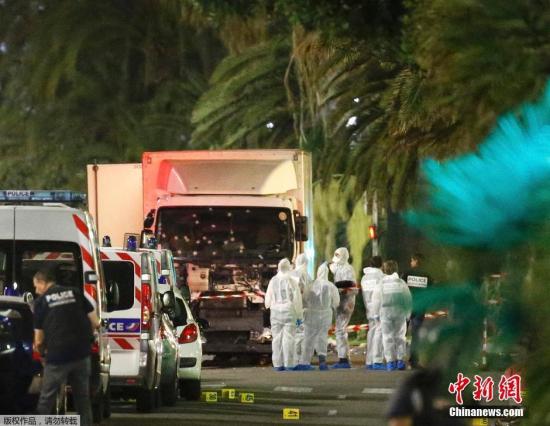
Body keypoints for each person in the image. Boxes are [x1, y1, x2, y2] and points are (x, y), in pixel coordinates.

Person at [33, 268, 99, 426]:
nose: (36, 291)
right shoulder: (75, 292)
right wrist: (87, 339)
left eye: (36, 286)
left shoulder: (41, 302)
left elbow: (39, 340)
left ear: (42, 282)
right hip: (81, 354)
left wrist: (42, 355)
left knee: (46, 399)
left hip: (57, 356)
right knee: (82, 399)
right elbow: (95, 322)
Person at [295, 262, 340, 371]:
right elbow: (336, 303)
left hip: (311, 314)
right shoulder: (331, 286)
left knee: (308, 338)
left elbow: (304, 300)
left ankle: (304, 362)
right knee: (322, 337)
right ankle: (322, 361)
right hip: (326, 315)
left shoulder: (311, 285)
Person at [264, 258, 303, 371]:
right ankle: (289, 364)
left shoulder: (273, 280)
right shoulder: (292, 281)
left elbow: (268, 298)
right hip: (289, 311)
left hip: (275, 311)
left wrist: (268, 305)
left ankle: (277, 364)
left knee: (276, 338)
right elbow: (297, 300)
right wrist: (299, 316)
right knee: (289, 338)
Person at [379, 260, 412, 371]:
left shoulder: (381, 283)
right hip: (399, 312)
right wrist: (408, 314)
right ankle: (400, 361)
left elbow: (376, 299)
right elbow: (408, 299)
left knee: (387, 337)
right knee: (400, 337)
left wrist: (375, 313)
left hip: (385, 312)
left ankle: (390, 362)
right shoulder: (401, 283)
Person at [402, 253, 432, 368]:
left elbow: (401, 287)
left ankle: (398, 360)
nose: (411, 263)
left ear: (415, 261)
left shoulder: (407, 274)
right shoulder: (427, 275)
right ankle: (414, 361)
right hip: (420, 306)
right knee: (416, 334)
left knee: (401, 333)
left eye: (411, 260)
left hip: (407, 306)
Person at [329, 247, 357, 369]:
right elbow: (332, 267)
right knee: (340, 330)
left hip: (346, 302)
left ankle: (343, 359)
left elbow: (352, 286)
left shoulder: (348, 269)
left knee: (340, 330)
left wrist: (337, 288)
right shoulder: (339, 268)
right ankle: (344, 358)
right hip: (340, 302)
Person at [361, 255, 385, 370]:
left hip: (369, 307)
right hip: (379, 308)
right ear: (381, 264)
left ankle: (369, 361)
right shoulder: (381, 277)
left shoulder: (365, 278)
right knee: (379, 333)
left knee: (371, 332)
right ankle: (377, 360)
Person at [291, 253, 312, 364]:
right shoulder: (308, 276)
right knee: (303, 333)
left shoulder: (294, 273)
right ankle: (303, 359)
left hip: (296, 309)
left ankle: (297, 359)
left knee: (297, 333)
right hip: (305, 308)